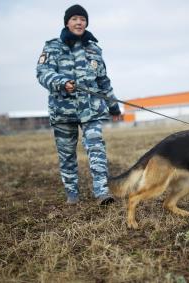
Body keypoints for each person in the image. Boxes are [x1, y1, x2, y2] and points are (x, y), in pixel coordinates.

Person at [36, 4, 121, 205]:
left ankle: (101, 192)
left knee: (96, 148)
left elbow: (103, 81)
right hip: (63, 110)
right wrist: (62, 83)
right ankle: (72, 194)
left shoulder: (94, 49)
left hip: (91, 109)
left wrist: (113, 106)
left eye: (82, 19)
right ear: (67, 22)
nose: (79, 22)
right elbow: (42, 73)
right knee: (67, 154)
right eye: (74, 18)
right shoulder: (53, 47)